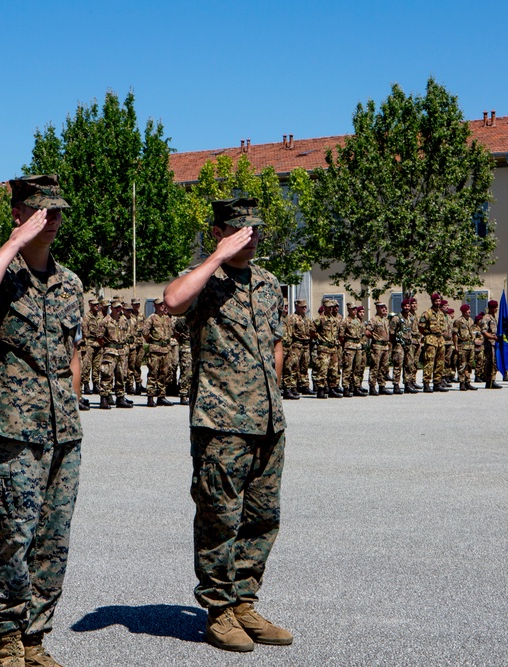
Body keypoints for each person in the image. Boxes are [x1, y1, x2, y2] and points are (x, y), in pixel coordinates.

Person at [0, 174, 84, 667]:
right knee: (13, 533)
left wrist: (72, 408)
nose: (50, 220)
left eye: (55, 212)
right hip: (13, 429)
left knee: (53, 537)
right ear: (18, 214)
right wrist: (13, 244)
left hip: (63, 431)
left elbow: (74, 353)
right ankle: (8, 637)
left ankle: (36, 637)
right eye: (40, 211)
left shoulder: (70, 282)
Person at [164, 197, 292, 653]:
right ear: (218, 232)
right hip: (221, 422)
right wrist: (215, 256)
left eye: (256, 229)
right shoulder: (204, 280)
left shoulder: (269, 283)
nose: (251, 236)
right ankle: (218, 611)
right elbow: (172, 301)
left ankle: (244, 602)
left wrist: (274, 397)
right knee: (220, 517)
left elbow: (276, 343)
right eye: (240, 229)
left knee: (262, 518)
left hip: (268, 419)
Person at [142, 297, 174, 406]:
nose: (162, 306)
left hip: (165, 350)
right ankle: (150, 397)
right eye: (159, 304)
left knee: (164, 373)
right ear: (154, 306)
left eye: (163, 304)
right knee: (153, 373)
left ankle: (161, 396)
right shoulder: (151, 318)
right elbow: (145, 333)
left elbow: (171, 332)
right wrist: (152, 341)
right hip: (155, 349)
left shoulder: (167, 318)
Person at [481, 299, 502, 389]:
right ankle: (489, 381)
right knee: (490, 362)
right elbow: (484, 332)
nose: (496, 309)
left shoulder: (495, 318)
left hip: (495, 343)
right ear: (489, 308)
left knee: (495, 362)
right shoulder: (486, 318)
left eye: (496, 307)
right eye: (494, 307)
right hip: (489, 343)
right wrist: (493, 337)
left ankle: (493, 380)